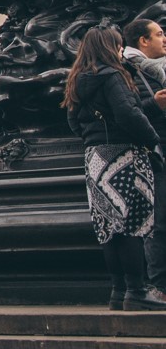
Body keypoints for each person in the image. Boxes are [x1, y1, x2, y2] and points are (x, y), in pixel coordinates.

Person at [63, 25, 166, 310]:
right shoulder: (113, 75)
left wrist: (92, 139)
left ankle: (118, 291)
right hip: (124, 155)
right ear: (110, 47)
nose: (121, 50)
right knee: (134, 224)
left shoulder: (77, 80)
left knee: (110, 227)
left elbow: (73, 121)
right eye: (118, 45)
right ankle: (138, 290)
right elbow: (127, 112)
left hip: (96, 157)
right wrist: (152, 140)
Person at [122, 18, 166, 293]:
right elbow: (128, 111)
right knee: (158, 220)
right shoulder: (129, 70)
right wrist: (156, 104)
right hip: (154, 152)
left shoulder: (158, 70)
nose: (165, 39)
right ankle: (160, 284)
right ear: (143, 41)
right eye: (160, 34)